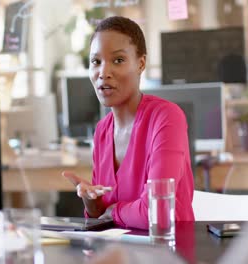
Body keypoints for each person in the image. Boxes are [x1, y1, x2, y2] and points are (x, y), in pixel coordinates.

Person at [62, 16, 194, 229]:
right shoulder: (102, 131)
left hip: (167, 253)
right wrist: (91, 202)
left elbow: (157, 211)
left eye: (118, 60)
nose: (103, 73)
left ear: (141, 64)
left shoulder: (167, 118)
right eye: (96, 62)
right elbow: (102, 216)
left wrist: (114, 211)